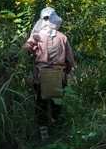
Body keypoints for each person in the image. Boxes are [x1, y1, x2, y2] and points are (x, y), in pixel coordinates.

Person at [24, 7, 75, 141]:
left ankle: (43, 132)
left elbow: (26, 49)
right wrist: (66, 72)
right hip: (59, 75)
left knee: (40, 103)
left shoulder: (37, 36)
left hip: (41, 75)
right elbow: (70, 60)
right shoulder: (63, 37)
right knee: (57, 104)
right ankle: (56, 131)